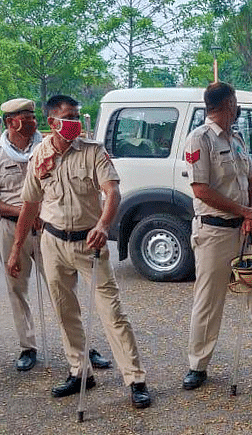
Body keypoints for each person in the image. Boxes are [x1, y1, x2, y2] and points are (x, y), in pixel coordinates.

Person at [8, 95, 152, 409]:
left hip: (90, 243)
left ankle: (135, 379)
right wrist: (17, 248)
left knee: (112, 313)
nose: (75, 121)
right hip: (53, 242)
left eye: (76, 116)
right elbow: (30, 205)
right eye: (68, 116)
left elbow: (112, 191)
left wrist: (103, 225)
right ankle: (79, 371)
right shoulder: (40, 157)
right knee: (65, 312)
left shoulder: (93, 152)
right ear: (52, 122)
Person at [181, 82, 252, 390]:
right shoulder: (199, 139)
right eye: (235, 101)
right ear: (228, 103)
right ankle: (197, 366)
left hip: (244, 230)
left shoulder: (236, 139)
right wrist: (244, 211)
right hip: (214, 231)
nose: (237, 106)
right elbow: (201, 189)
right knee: (208, 299)